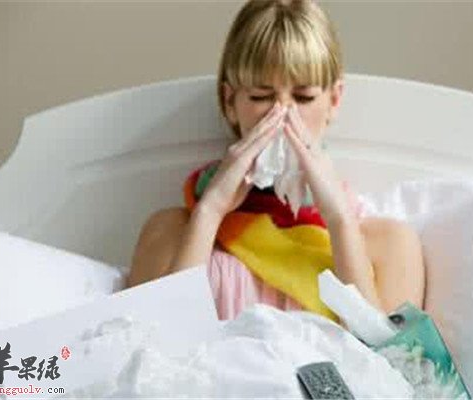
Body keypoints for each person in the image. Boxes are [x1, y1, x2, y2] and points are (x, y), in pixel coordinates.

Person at [126, 0, 424, 321]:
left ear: (334, 100)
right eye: (261, 97)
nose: (282, 114)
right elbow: (149, 341)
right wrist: (210, 211)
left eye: (303, 97)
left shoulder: (389, 244)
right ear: (229, 101)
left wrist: (338, 221)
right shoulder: (171, 231)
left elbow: (392, 352)